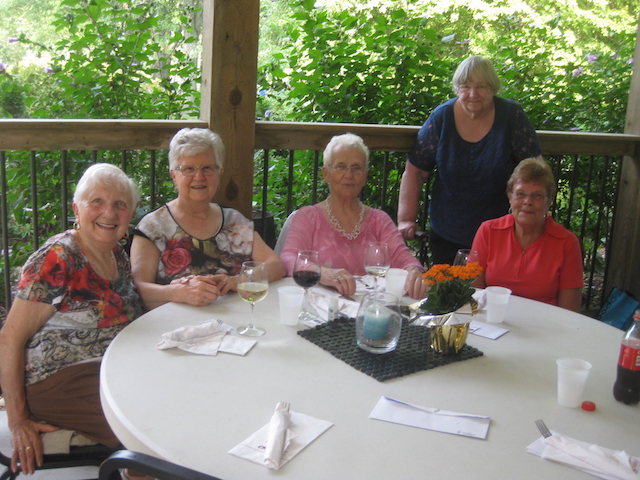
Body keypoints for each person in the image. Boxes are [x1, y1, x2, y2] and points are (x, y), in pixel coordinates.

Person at [0, 163, 142, 475]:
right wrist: (18, 420)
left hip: (111, 368)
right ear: (77, 209)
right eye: (97, 202)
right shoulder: (58, 258)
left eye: (120, 204)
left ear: (130, 214)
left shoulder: (116, 253)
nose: (109, 213)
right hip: (58, 379)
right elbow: (9, 338)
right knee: (146, 424)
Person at [398, 55, 542, 265]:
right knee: (449, 286)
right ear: (457, 89)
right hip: (447, 232)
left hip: (501, 233)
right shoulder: (441, 117)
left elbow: (536, 173)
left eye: (481, 86)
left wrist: (532, 220)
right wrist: (406, 220)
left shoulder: (512, 116)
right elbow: (415, 171)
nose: (473, 94)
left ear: (493, 88)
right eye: (465, 86)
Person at [131, 127, 284, 310]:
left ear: (219, 174)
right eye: (189, 169)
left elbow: (276, 265)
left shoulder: (234, 221)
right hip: (176, 324)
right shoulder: (153, 227)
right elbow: (138, 289)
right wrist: (178, 293)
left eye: (207, 168)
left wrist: (236, 280)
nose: (199, 177)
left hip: (235, 320)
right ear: (174, 176)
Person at [281, 133, 427, 299]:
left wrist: (415, 272)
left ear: (364, 176)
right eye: (341, 167)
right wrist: (321, 272)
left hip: (370, 307)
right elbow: (288, 258)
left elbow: (405, 260)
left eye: (356, 168)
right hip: (320, 307)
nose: (349, 175)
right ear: (326, 173)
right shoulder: (308, 217)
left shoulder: (379, 220)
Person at [471, 157, 583, 311]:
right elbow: (473, 295)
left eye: (537, 195)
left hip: (544, 323)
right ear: (510, 197)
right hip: (493, 320)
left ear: (549, 201)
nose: (527, 201)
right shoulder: (488, 231)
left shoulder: (567, 243)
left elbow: (569, 311)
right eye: (520, 194)